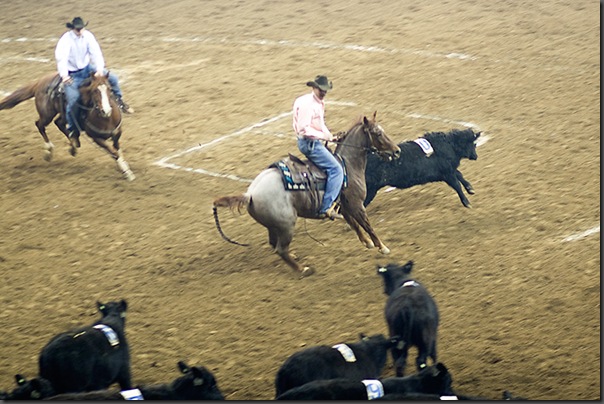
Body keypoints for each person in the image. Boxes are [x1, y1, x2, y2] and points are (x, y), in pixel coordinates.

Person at [55, 17, 133, 148]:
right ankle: (73, 130)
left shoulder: (88, 36)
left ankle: (120, 102)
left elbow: (96, 53)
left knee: (113, 79)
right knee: (73, 100)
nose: (80, 31)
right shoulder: (65, 40)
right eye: (77, 29)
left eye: (81, 28)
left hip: (87, 69)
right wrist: (64, 75)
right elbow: (61, 58)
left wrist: (99, 70)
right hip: (73, 74)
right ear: (72, 29)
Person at [293, 75, 344, 220]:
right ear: (314, 88)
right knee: (336, 170)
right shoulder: (308, 105)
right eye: (321, 90)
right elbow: (304, 129)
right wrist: (324, 137)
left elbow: (320, 125)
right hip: (309, 144)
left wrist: (330, 136)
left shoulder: (317, 102)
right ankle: (326, 207)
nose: (324, 93)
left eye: (325, 90)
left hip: (313, 141)